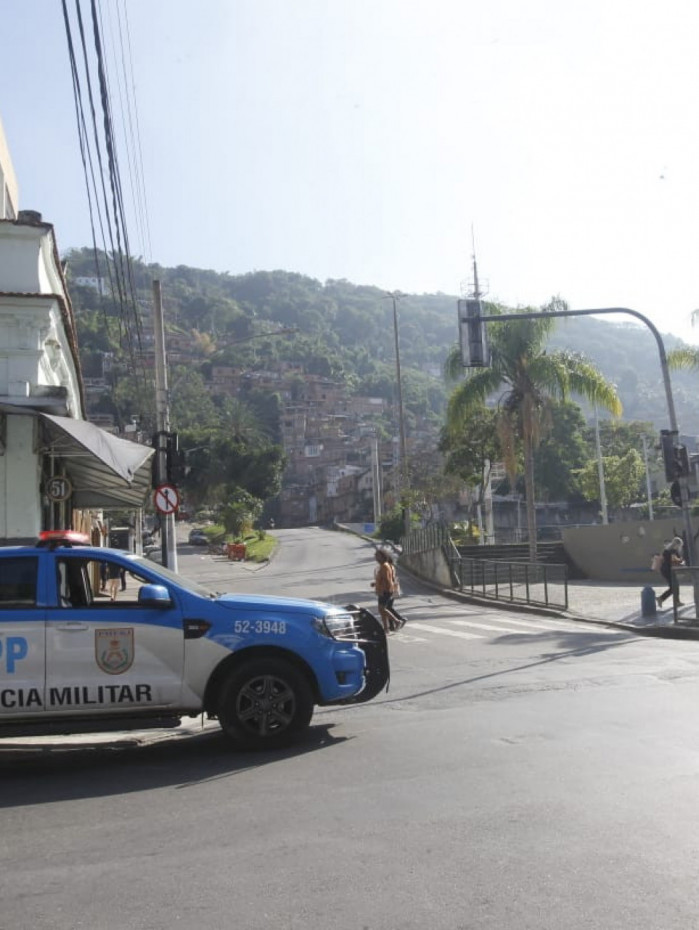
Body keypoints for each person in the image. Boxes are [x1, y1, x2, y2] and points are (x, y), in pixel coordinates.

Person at [371, 549, 406, 633]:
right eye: (376, 556)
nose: (376, 558)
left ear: (383, 556)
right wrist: (376, 584)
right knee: (382, 609)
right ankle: (386, 628)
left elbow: (387, 579)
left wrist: (383, 590)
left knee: (382, 609)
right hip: (385, 590)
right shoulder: (384, 565)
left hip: (385, 591)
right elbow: (383, 579)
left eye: (378, 556)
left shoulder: (384, 566)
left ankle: (397, 621)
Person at [657, 536, 684, 609]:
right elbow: (674, 560)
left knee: (675, 586)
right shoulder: (672, 551)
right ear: (677, 544)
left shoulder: (667, 549)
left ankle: (676, 601)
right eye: (679, 545)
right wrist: (681, 561)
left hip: (666, 570)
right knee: (674, 587)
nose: (679, 547)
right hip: (669, 571)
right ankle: (661, 598)